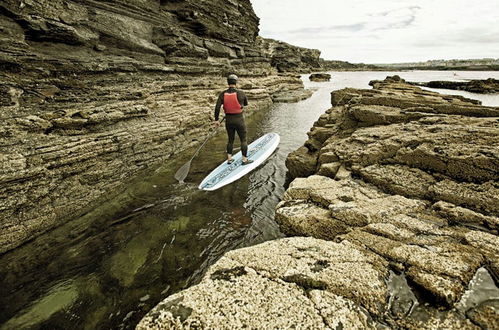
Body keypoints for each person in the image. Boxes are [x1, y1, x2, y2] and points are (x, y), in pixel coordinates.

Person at [214, 74, 253, 165]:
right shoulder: (241, 93)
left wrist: (216, 120)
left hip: (229, 120)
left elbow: (217, 107)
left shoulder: (222, 94)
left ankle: (229, 159)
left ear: (228, 83)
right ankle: (244, 160)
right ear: (236, 82)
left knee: (230, 140)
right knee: (243, 140)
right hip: (239, 120)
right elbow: (245, 104)